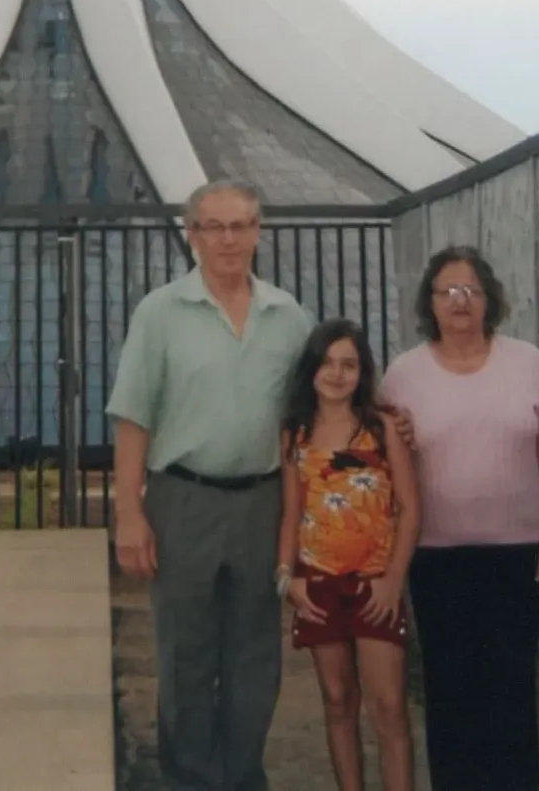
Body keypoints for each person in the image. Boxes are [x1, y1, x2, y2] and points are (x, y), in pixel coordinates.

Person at [106, 179, 313, 791]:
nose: (229, 239)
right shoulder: (160, 314)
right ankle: (189, 779)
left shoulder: (288, 316)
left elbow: (317, 408)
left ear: (258, 232)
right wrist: (129, 514)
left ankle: (243, 777)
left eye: (241, 225)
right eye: (215, 227)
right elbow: (133, 417)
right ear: (192, 234)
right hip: (184, 500)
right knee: (186, 655)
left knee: (255, 658)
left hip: (263, 503)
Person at [379, 245, 539, 791]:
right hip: (437, 559)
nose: (460, 301)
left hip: (516, 557)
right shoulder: (403, 375)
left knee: (512, 689)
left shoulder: (527, 363)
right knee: (450, 691)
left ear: (490, 299)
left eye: (471, 290)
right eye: (448, 291)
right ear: (430, 302)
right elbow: (383, 459)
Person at [276, 318, 420, 791]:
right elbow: (290, 511)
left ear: (363, 372)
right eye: (328, 363)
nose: (337, 374)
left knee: (389, 706)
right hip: (318, 584)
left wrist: (393, 580)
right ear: (311, 369)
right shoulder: (295, 433)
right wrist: (288, 576)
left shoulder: (382, 428)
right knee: (338, 700)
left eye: (349, 365)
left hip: (375, 586)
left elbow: (410, 508)